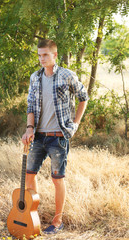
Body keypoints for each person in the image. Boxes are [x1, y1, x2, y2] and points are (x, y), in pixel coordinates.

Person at [22, 39, 89, 234]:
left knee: (57, 179)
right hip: (38, 137)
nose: (41, 58)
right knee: (29, 175)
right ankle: (33, 214)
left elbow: (83, 97)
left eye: (45, 54)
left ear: (54, 55)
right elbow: (30, 106)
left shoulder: (67, 75)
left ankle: (57, 221)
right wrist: (29, 128)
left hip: (58, 137)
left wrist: (75, 124)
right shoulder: (35, 77)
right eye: (39, 55)